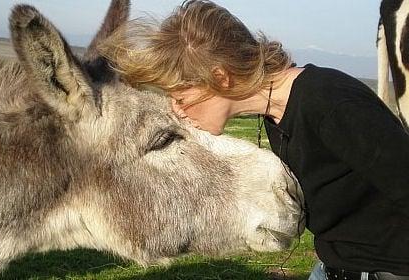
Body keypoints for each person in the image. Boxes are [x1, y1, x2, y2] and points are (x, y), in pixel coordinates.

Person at [98, 1, 409, 279]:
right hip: (333, 269)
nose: (177, 111)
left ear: (221, 77)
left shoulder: (328, 101)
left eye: (180, 96)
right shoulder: (276, 113)